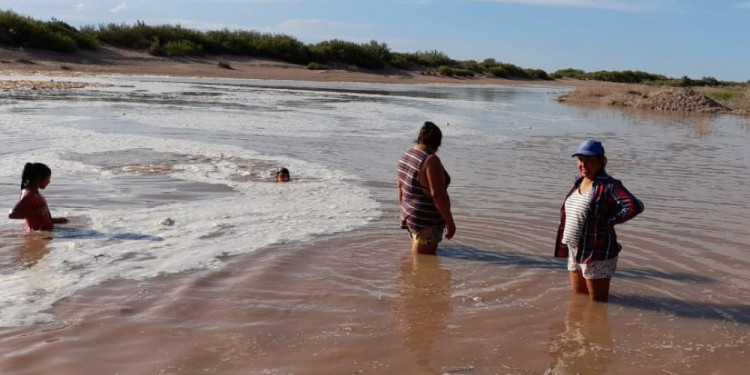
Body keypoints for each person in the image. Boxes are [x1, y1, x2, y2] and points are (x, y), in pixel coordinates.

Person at [554, 140, 643, 302]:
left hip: (596, 252)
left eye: (589, 159)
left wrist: (609, 221)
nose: (583, 164)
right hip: (575, 249)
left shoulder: (609, 185)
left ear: (601, 161)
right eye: (580, 159)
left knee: (598, 303)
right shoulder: (579, 181)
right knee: (579, 299)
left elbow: (634, 206)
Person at [397, 121, 455, 254]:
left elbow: (400, 188)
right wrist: (450, 223)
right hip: (426, 219)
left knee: (418, 255)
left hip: (410, 213)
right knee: (423, 261)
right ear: (437, 143)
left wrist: (408, 211)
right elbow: (437, 195)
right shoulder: (431, 160)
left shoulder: (406, 156)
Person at [8, 163, 68, 231]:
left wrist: (54, 220)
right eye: (48, 179)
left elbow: (39, 218)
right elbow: (12, 214)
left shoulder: (35, 194)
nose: (49, 182)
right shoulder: (30, 195)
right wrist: (35, 213)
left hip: (44, 231)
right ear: (38, 178)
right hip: (39, 234)